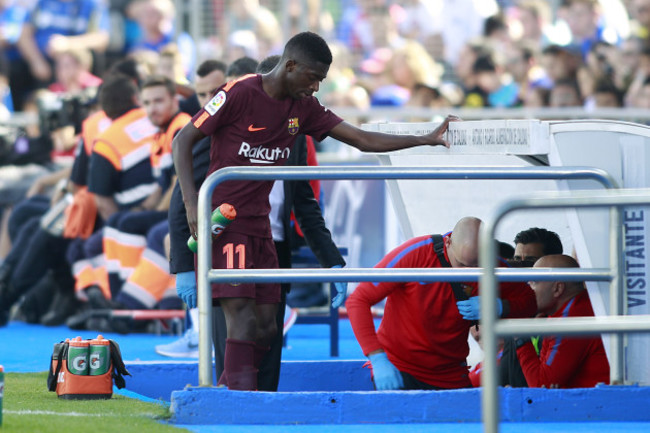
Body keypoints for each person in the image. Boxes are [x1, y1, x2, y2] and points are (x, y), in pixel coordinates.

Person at [172, 31, 458, 391]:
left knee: (268, 325)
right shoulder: (240, 92)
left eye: (322, 80)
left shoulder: (303, 108)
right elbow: (182, 140)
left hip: (261, 228)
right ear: (290, 66)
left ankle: (228, 392)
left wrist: (425, 139)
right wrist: (189, 204)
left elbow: (361, 139)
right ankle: (235, 406)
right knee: (241, 320)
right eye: (313, 78)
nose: (317, 88)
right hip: (224, 222)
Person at [345, 217, 538, 390]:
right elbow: (358, 300)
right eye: (462, 264)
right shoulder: (415, 254)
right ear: (448, 242)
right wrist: (377, 357)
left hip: (450, 376)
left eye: (476, 265)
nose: (470, 272)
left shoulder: (494, 266)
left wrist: (499, 306)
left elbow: (531, 303)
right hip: (398, 367)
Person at [469, 227, 564, 388]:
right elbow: (503, 371)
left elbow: (544, 383)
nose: (521, 267)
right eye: (517, 260)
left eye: (530, 262)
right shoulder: (517, 310)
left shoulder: (558, 317)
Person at [517, 254, 610, 388]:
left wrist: (519, 337)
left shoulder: (573, 320)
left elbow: (542, 386)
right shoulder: (563, 313)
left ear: (557, 289)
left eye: (534, 282)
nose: (528, 288)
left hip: (600, 405)